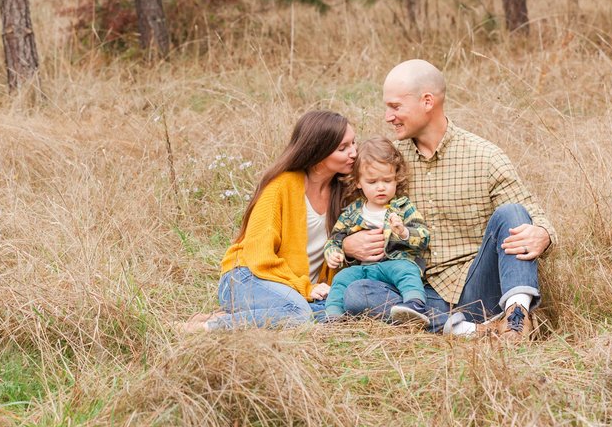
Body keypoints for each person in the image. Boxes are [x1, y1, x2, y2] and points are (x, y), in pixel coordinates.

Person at [340, 60, 556, 341]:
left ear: (427, 101)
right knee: (356, 294)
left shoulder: (485, 156)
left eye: (395, 107)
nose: (387, 117)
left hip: (479, 288)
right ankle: (469, 330)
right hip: (416, 294)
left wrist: (543, 234)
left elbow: (536, 219)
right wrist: (348, 245)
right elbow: (355, 211)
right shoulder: (389, 161)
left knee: (513, 213)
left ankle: (516, 319)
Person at [181, 110, 357, 332]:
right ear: (318, 152)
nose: (353, 153)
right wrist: (304, 287)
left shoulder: (344, 192)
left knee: (336, 314)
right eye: (343, 148)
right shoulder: (280, 186)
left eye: (353, 143)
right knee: (299, 315)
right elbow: (258, 256)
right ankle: (205, 328)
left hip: (295, 290)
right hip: (248, 276)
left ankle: (239, 315)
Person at [323, 138, 431, 326]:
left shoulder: (403, 207)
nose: (380, 187)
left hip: (394, 263)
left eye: (387, 180)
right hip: (363, 269)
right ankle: (333, 315)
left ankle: (414, 305)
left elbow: (423, 236)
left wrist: (404, 232)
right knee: (341, 278)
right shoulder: (352, 211)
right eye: (372, 182)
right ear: (358, 182)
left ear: (396, 178)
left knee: (407, 270)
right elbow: (335, 238)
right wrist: (333, 252)